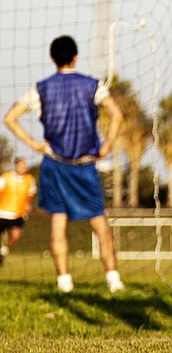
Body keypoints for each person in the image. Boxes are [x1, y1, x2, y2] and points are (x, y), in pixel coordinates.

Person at [3, 35, 125, 294]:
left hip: (55, 164)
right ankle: (113, 279)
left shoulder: (41, 88)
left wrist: (35, 144)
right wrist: (106, 146)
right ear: (76, 57)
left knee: (58, 223)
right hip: (84, 165)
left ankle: (64, 281)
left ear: (52, 58)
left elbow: (10, 118)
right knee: (99, 223)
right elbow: (117, 114)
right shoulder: (92, 85)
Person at [0, 157, 37, 266]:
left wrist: (29, 204)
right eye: (21, 165)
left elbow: (32, 193)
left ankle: (3, 251)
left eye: (24, 165)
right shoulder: (5, 177)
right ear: (15, 166)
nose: (23, 167)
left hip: (18, 214)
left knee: (16, 235)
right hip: (2, 213)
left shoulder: (30, 179)